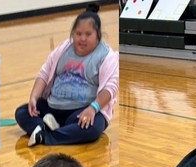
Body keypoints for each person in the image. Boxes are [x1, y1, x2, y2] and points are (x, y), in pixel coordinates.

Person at [15, 6, 119, 147]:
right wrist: (34, 97)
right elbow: (44, 73)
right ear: (72, 34)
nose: (82, 39)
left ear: (98, 34)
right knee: (22, 112)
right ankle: (50, 128)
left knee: (92, 128)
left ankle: (44, 135)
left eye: (88, 34)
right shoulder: (64, 49)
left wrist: (93, 108)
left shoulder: (107, 56)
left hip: (82, 111)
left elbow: (111, 88)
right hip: (52, 108)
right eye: (78, 34)